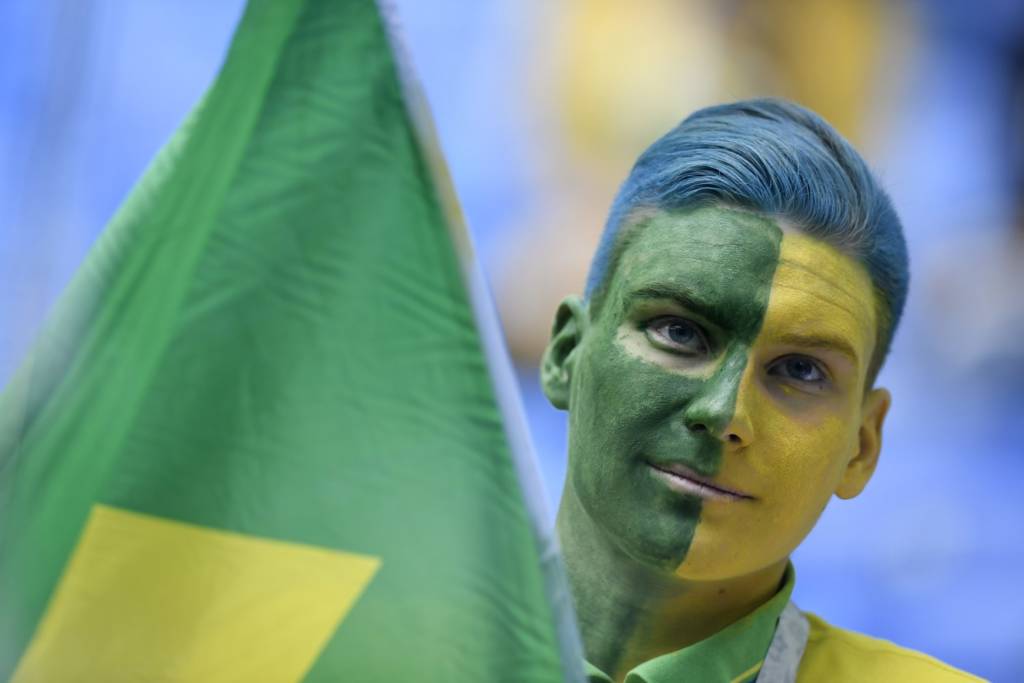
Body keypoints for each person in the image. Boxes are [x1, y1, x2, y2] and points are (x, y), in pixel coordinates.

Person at [539, 99, 982, 682]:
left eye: (800, 370)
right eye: (679, 332)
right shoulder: (408, 637)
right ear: (567, 353)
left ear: (862, 446)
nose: (724, 412)